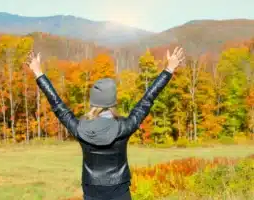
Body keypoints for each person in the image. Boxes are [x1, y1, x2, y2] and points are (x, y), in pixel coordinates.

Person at [26, 47, 185, 200]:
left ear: (93, 101)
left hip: (91, 189)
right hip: (119, 190)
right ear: (112, 102)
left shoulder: (80, 128)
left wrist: (38, 72)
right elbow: (148, 99)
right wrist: (169, 69)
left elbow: (57, 105)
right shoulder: (124, 126)